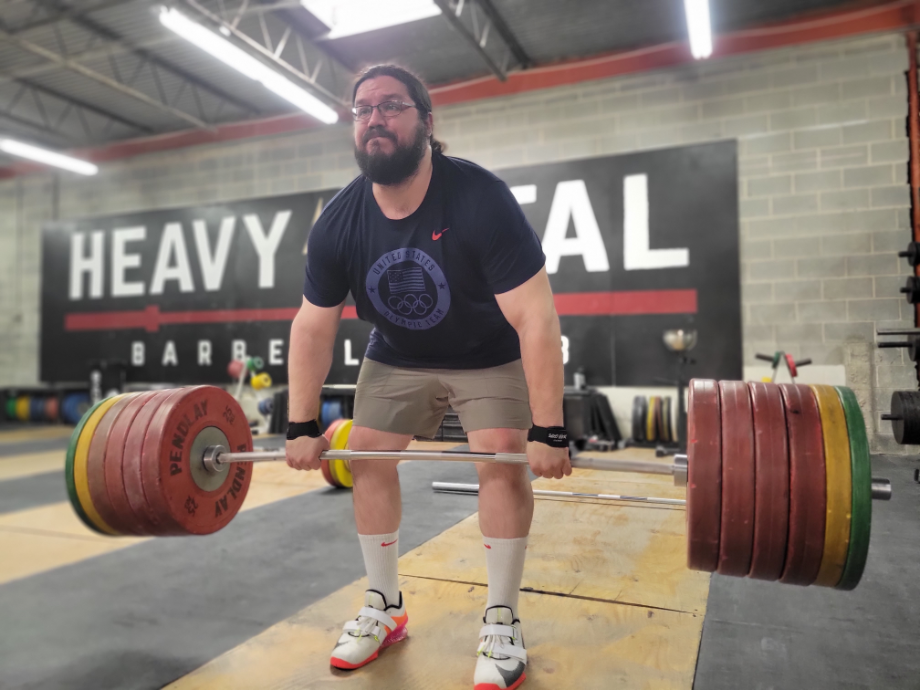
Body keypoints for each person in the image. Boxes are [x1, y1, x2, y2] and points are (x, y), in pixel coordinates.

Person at [285, 63, 571, 690]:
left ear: (426, 122)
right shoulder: (339, 220)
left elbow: (536, 318)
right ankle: (385, 607)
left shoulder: (479, 198)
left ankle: (501, 618)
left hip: (487, 352)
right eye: (363, 110)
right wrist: (301, 423)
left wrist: (548, 430)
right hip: (397, 353)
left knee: (500, 456)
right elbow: (312, 326)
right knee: (364, 453)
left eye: (391, 105)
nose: (375, 119)